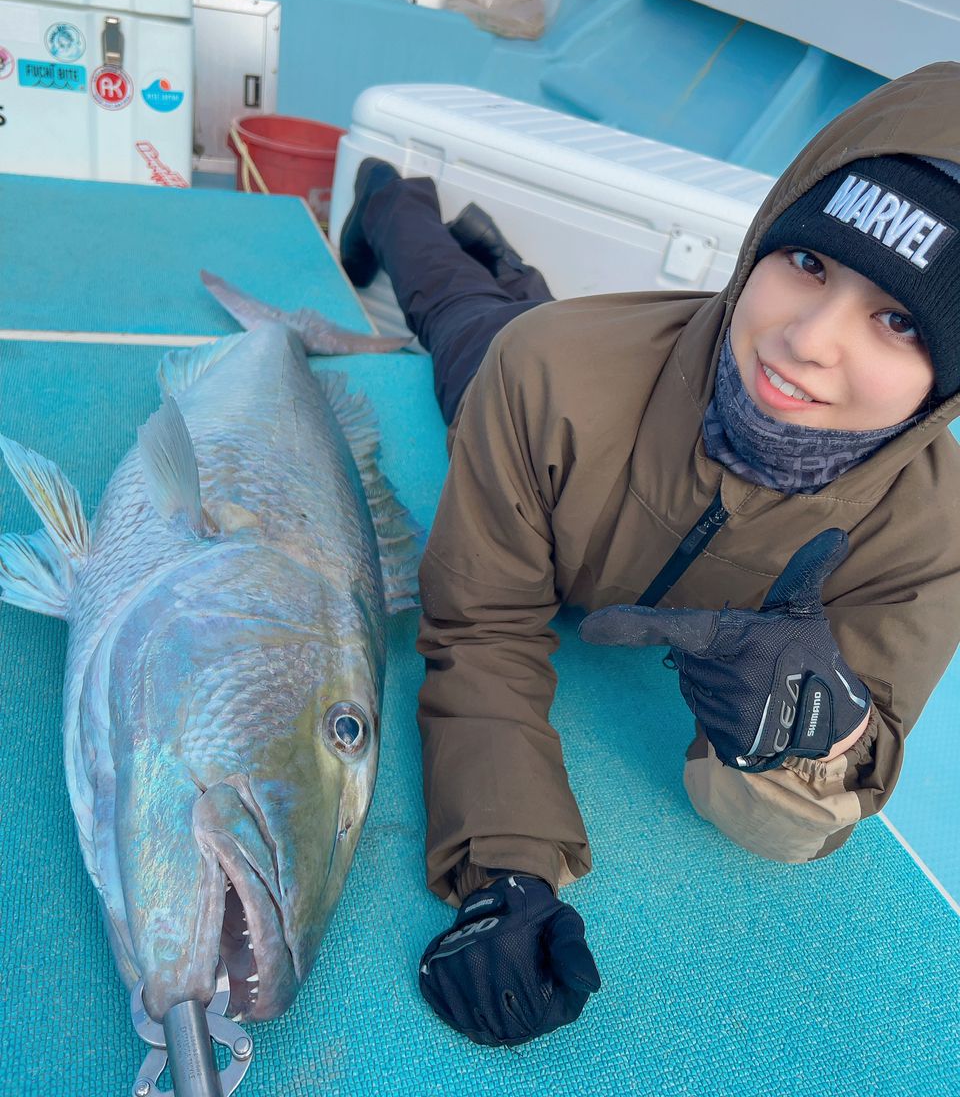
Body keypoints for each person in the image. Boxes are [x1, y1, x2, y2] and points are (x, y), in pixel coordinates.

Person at [338, 61, 960, 1048]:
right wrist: (507, 870)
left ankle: (502, 259)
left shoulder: (931, 528)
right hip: (535, 372)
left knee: (508, 309)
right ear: (763, 241)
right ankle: (397, 203)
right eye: (807, 263)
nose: (806, 340)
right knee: (459, 320)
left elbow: (857, 756)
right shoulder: (550, 376)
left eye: (896, 319)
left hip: (601, 360)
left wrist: (818, 737)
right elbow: (483, 622)